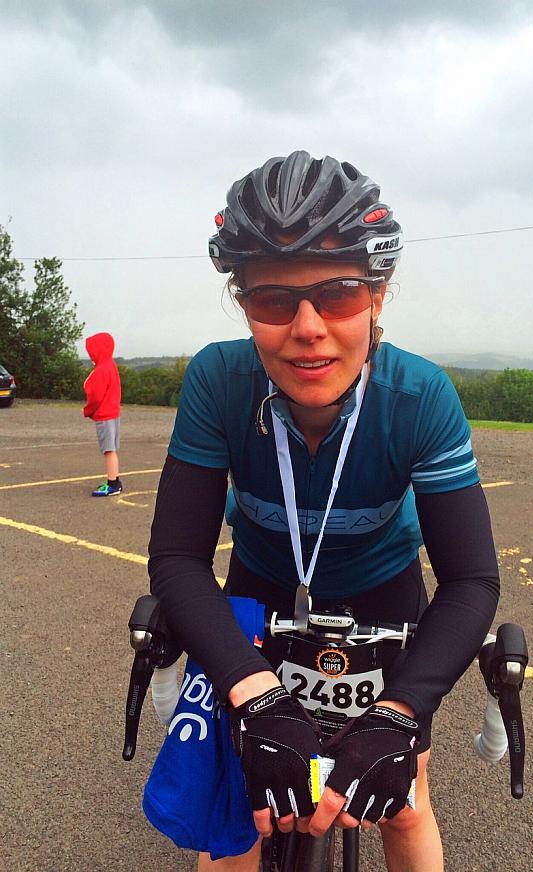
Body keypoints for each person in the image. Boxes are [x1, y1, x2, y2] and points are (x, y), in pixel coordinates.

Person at [148, 150, 500, 872]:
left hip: (383, 593)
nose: (308, 327)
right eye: (273, 300)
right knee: (237, 804)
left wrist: (398, 720)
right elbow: (178, 557)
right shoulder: (219, 380)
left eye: (338, 293)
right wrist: (253, 696)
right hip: (261, 591)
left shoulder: (420, 396)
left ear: (379, 293)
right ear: (243, 302)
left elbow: (471, 582)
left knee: (404, 804)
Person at [83, 331, 123, 496]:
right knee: (111, 449)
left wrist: (88, 411)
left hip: (105, 415)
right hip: (113, 413)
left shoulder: (101, 370)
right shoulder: (111, 365)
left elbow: (95, 395)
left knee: (108, 450)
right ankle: (114, 480)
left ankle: (113, 484)